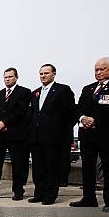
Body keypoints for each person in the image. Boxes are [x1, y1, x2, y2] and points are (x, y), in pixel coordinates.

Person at [70, 57, 109, 212]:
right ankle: (89, 198)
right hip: (87, 136)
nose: (98, 72)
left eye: (102, 69)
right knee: (87, 168)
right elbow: (78, 108)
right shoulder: (88, 88)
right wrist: (82, 118)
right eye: (96, 70)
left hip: (108, 136)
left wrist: (96, 120)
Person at [28, 64, 75, 205]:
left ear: (54, 74)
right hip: (36, 137)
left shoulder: (62, 90)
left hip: (54, 138)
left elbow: (71, 114)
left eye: (46, 73)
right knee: (38, 168)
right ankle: (39, 194)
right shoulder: (35, 92)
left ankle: (50, 195)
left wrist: (62, 132)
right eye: (41, 73)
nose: (43, 76)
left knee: (51, 168)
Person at [0, 68, 32, 200]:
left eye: (10, 77)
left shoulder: (24, 92)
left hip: (16, 134)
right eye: (5, 77)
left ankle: (18, 191)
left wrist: (5, 123)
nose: (7, 79)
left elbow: (21, 112)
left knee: (18, 164)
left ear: (16, 77)